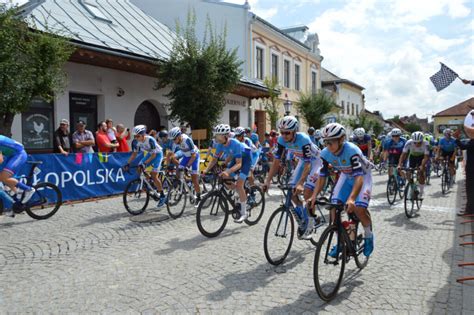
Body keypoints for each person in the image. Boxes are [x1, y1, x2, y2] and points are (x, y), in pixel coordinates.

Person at [310, 123, 374, 257]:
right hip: (346, 175)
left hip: (363, 176)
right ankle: (340, 242)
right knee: (334, 207)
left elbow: (359, 178)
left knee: (359, 209)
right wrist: (314, 195)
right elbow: (322, 177)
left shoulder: (352, 150)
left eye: (331, 142)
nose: (328, 145)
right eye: (326, 142)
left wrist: (351, 199)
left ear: (341, 139)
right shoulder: (325, 153)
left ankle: (368, 236)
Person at [263, 116, 323, 239]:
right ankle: (303, 217)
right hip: (303, 161)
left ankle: (311, 223)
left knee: (306, 193)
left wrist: (301, 183)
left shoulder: (304, 139)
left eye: (287, 133)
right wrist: (267, 180)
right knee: (291, 190)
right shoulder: (281, 140)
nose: (284, 135)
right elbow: (276, 162)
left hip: (316, 161)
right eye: (282, 132)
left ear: (295, 131)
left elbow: (308, 164)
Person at [203, 124, 252, 223]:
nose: (216, 137)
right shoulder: (220, 145)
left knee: (239, 185)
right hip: (235, 157)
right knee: (224, 178)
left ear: (225, 136)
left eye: (218, 135)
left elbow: (239, 164)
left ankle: (244, 213)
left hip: (246, 158)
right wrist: (206, 170)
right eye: (216, 135)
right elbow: (214, 160)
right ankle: (240, 195)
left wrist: (227, 171)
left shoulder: (236, 144)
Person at [124, 125, 167, 208]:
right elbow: (134, 154)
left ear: (143, 135)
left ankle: (162, 196)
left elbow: (154, 155)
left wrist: (145, 163)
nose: (136, 138)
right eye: (135, 136)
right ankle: (148, 182)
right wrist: (127, 163)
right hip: (150, 154)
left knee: (154, 175)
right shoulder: (136, 142)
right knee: (139, 167)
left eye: (137, 136)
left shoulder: (150, 139)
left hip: (157, 155)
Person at [0, 135, 35, 217]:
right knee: (4, 178)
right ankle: (15, 202)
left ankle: (28, 189)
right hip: (11, 155)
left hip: (19, 154)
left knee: (3, 177)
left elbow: (0, 160)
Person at [169, 127, 202, 203]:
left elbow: (193, 155)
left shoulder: (187, 140)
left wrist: (187, 166)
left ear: (179, 136)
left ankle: (199, 196)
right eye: (172, 140)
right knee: (179, 169)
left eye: (174, 139)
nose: (173, 141)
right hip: (186, 156)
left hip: (195, 156)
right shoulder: (176, 141)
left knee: (194, 179)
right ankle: (184, 184)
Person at [454, 110, 474, 215]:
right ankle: (469, 209)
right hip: (470, 168)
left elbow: (463, 147)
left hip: (472, 169)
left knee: (470, 189)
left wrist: (457, 139)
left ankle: (470, 210)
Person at [398, 131, 429, 198]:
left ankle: (421, 190)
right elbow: (403, 155)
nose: (417, 144)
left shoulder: (426, 143)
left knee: (421, 173)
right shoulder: (409, 142)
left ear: (422, 140)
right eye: (415, 142)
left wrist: (422, 166)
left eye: (419, 143)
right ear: (412, 141)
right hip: (412, 157)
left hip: (422, 157)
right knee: (408, 172)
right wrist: (399, 164)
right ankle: (412, 187)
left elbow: (426, 157)